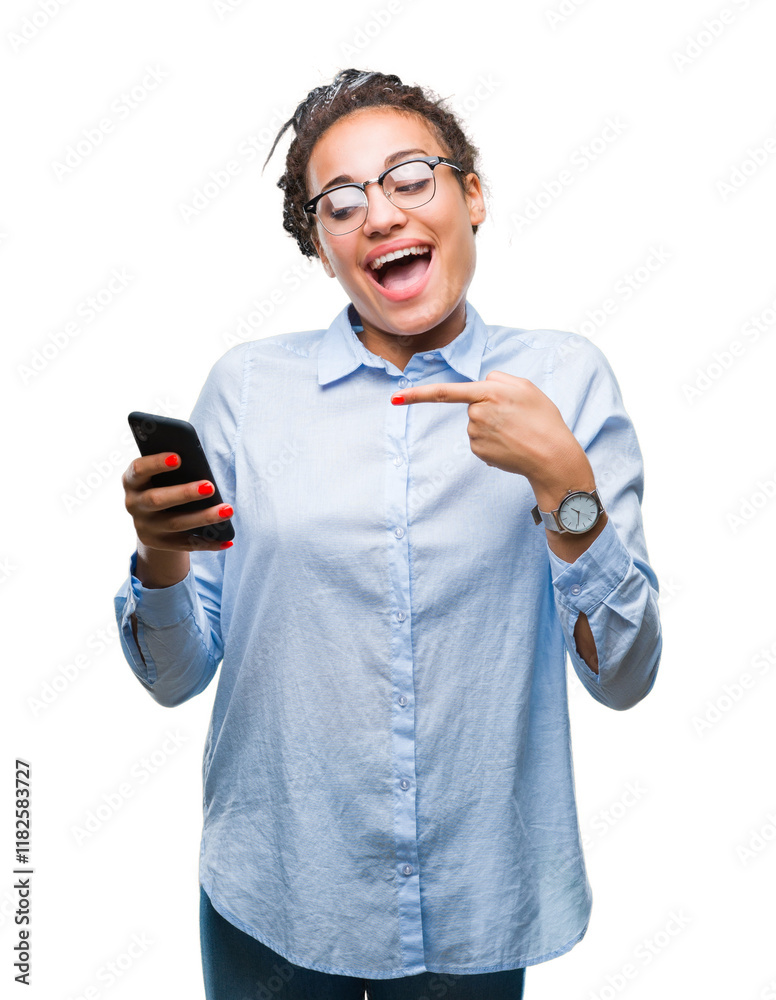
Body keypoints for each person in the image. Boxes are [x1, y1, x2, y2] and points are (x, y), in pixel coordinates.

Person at [114, 68, 662, 1000]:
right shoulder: (247, 391)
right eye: (342, 201)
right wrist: (162, 555)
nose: (381, 214)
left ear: (471, 195)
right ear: (322, 245)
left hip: (476, 899)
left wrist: (567, 488)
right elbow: (174, 676)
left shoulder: (564, 380)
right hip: (277, 892)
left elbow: (625, 675)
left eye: (412, 177)